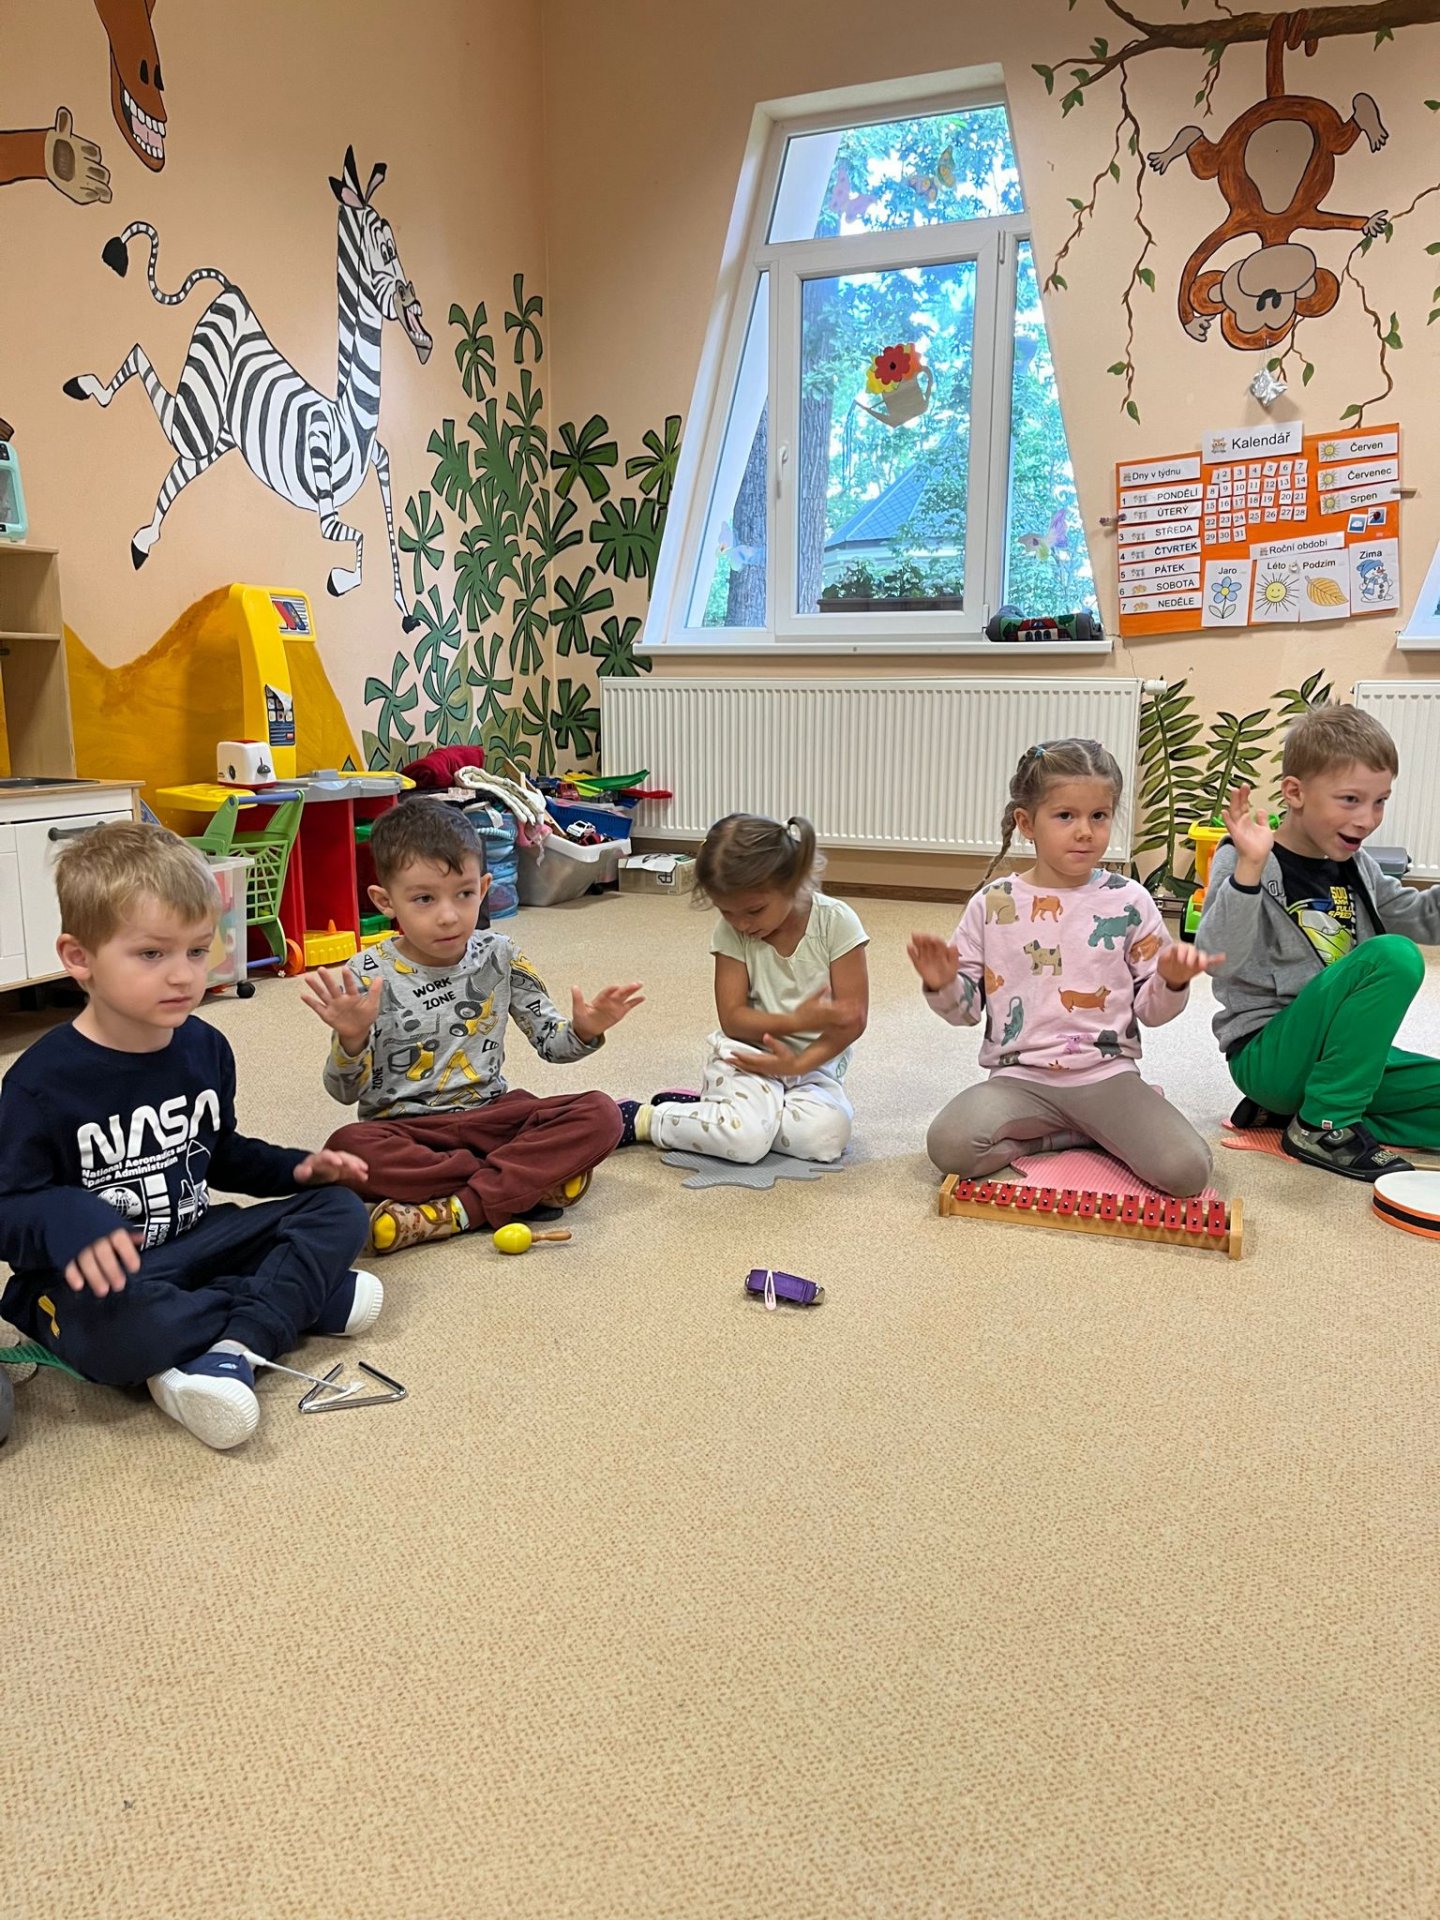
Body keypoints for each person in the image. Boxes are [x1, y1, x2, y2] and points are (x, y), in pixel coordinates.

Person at [0, 822, 376, 1451]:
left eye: (198, 951)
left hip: (201, 1241)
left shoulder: (205, 1047)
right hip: (101, 1284)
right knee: (128, 1333)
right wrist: (64, 1214)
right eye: (152, 954)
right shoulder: (39, 1084)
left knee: (340, 1211)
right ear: (80, 958)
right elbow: (7, 1208)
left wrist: (297, 1169)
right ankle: (283, 1304)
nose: (183, 976)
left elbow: (218, 1154)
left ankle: (234, 1345)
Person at [306, 799, 638, 1252]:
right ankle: (523, 1183)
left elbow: (552, 1044)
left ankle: (455, 1211)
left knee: (601, 1113)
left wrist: (585, 1029)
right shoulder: (364, 974)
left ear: (483, 888)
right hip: (407, 1130)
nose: (448, 915)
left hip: (493, 1116)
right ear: (386, 901)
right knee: (346, 1150)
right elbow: (345, 1093)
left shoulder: (501, 954)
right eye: (424, 899)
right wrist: (351, 1038)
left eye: (463, 894)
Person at [910, 738, 1215, 1195]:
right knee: (950, 1146)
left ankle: (1091, 1129)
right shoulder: (992, 903)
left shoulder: (1130, 900)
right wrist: (942, 984)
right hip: (1019, 1080)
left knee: (1188, 1172)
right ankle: (1066, 1138)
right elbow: (966, 1012)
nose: (1085, 832)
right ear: (1026, 823)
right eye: (1066, 816)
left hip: (1107, 1076)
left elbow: (1153, 1013)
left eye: (1099, 816)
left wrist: (1171, 982)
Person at [1196, 703, 1440, 1180]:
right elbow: (1216, 959)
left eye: (1380, 801)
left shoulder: (1358, 866)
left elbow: (1420, 917)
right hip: (1268, 1054)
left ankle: (1300, 1113)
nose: (1367, 819)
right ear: (1295, 792)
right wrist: (1248, 870)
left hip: (1337, 1059)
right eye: (1350, 799)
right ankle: (1322, 1125)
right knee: (1393, 956)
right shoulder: (1247, 858)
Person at [617, 813, 868, 1165]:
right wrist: (796, 1022)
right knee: (747, 1142)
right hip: (747, 1057)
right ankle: (647, 1119)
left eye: (754, 910)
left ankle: (719, 1116)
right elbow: (733, 1019)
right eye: (727, 912)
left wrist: (799, 1061)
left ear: (794, 881)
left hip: (815, 1064)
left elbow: (853, 1020)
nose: (742, 924)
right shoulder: (731, 932)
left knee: (824, 1139)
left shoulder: (836, 922)